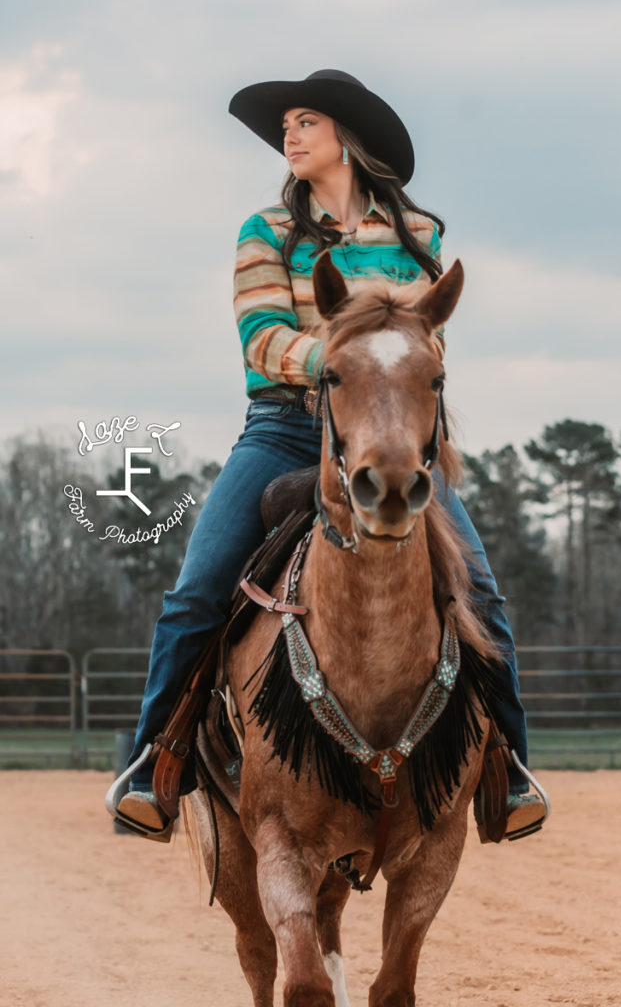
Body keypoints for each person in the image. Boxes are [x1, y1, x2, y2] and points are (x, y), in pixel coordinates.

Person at [113, 69, 546, 840]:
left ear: (347, 137)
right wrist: (344, 360)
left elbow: (422, 341)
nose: (290, 136)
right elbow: (262, 339)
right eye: (286, 125)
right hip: (284, 427)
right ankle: (156, 762)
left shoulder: (416, 233)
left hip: (393, 433)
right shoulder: (264, 233)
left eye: (305, 121)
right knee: (197, 591)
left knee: (481, 595)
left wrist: (381, 373)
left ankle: (507, 769)